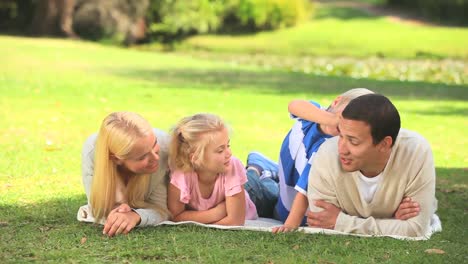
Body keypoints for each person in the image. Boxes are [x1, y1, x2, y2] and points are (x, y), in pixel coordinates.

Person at [306, 94, 440, 237]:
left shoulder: (415, 152)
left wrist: (342, 222)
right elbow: (321, 222)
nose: (342, 149)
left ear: (384, 144)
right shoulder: (327, 154)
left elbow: (416, 229)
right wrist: (393, 221)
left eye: (353, 141)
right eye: (341, 136)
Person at [79, 112, 170, 237]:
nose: (155, 157)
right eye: (142, 156)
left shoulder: (164, 149)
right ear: (116, 159)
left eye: (154, 144)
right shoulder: (93, 152)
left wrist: (136, 216)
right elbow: (99, 207)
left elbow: (163, 210)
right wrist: (118, 213)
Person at [167, 113, 257, 226]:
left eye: (228, 146)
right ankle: (256, 166)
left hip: (255, 195)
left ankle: (258, 164)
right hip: (236, 185)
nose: (229, 153)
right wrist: (216, 213)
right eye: (220, 150)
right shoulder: (181, 174)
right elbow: (175, 217)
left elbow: (235, 221)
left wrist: (199, 219)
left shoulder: (232, 165)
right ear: (195, 157)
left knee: (270, 191)